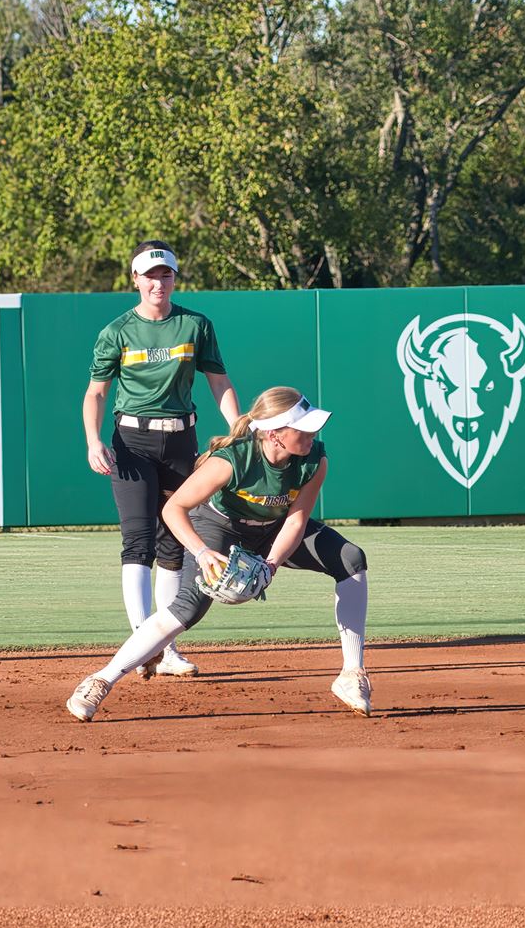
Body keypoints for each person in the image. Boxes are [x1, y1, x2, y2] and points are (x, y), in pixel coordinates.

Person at [65, 386, 372, 722]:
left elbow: (296, 520)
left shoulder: (315, 460)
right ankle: (100, 680)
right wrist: (202, 552)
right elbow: (175, 509)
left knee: (350, 559)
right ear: (274, 435)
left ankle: (351, 674)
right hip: (219, 526)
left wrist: (271, 563)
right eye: (303, 428)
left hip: (274, 530)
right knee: (189, 608)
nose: (313, 433)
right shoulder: (231, 460)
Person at [82, 240, 241, 679]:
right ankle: (142, 643)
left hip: (181, 440)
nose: (158, 282)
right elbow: (96, 393)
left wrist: (236, 429)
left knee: (173, 543)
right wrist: (94, 440)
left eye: (165, 274)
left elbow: (218, 381)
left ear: (174, 278)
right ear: (135, 279)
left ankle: (165, 649)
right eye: (149, 275)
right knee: (138, 541)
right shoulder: (117, 331)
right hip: (132, 440)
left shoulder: (195, 325)